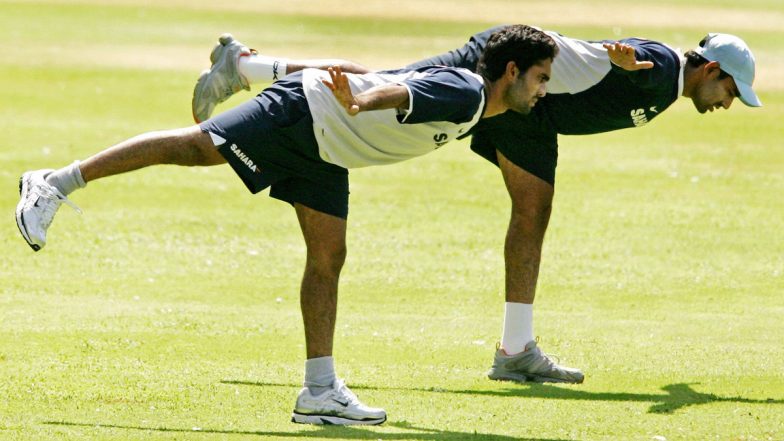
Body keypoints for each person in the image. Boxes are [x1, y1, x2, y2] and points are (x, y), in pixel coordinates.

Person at [14, 25, 558, 426]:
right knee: (195, 147)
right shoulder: (467, 93)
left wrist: (290, 72)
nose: (542, 89)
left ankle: (319, 391)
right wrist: (363, 100)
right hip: (304, 115)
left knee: (328, 258)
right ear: (511, 71)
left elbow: (382, 76)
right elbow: (397, 93)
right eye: (539, 78)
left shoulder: (469, 96)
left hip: (326, 148)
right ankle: (54, 183)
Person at [190, 28, 761, 385]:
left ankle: (516, 349)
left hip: (534, 113)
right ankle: (243, 66)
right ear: (711, 70)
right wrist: (628, 62)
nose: (727, 104)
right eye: (730, 92)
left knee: (533, 211)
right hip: (509, 76)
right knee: (381, 85)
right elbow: (631, 57)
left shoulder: (667, 89)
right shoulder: (662, 69)